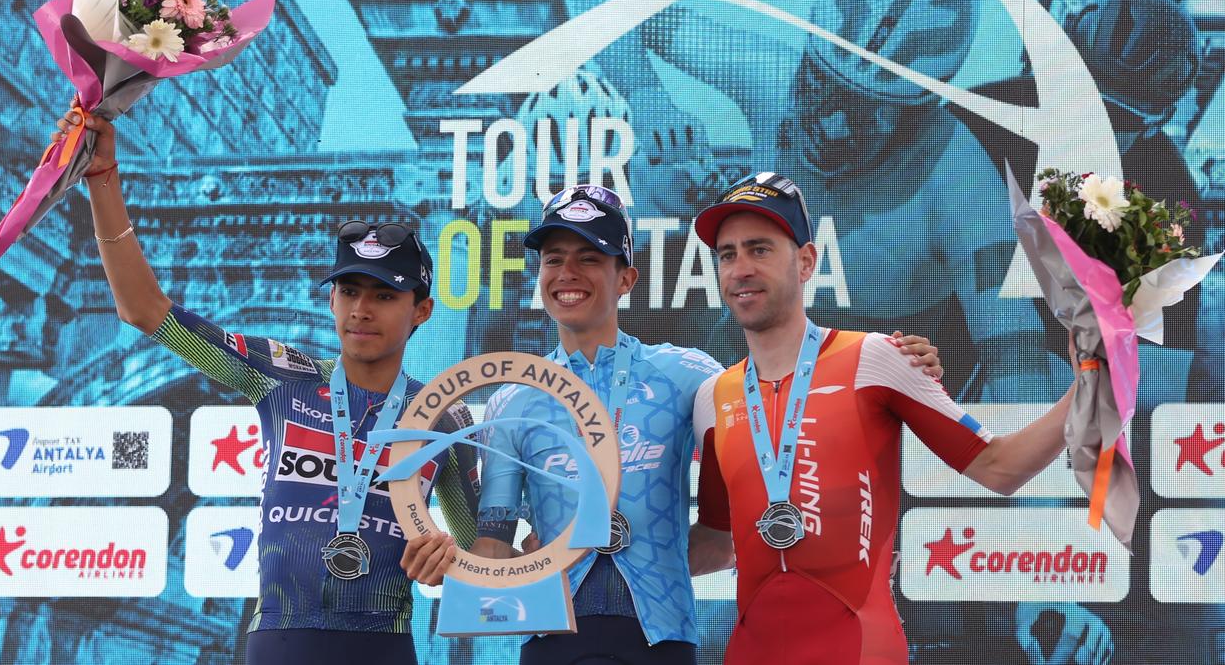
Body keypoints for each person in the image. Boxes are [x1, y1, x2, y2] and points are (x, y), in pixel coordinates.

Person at [402, 182, 943, 663]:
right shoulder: (513, 401)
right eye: (553, 259)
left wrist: (902, 363)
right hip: (552, 642)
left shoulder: (687, 375)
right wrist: (462, 567)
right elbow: (495, 542)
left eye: (590, 258)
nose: (568, 273)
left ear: (626, 277)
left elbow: (775, 454)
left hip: (661, 640)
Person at [57, 109, 480, 665]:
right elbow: (144, 310)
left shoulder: (444, 418)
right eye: (349, 291)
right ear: (330, 299)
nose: (360, 309)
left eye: (383, 295)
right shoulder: (281, 375)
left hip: (384, 646)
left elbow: (484, 564)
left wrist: (452, 562)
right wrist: (103, 177)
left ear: (421, 309)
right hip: (279, 641)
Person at [592, 0, 1071, 403]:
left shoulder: (961, 178)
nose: (833, 124)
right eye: (821, 86)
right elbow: (607, 0)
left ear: (921, 114)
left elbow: (1014, 353)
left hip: (874, 382)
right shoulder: (771, 74)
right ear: (807, 58)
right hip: (758, 345)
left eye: (869, 110)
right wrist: (648, 96)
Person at [689, 171, 1082, 665]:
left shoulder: (878, 358)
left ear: (807, 261)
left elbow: (1000, 467)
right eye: (728, 254)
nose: (741, 268)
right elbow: (717, 544)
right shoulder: (713, 396)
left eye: (760, 249)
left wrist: (1087, 386)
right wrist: (590, 552)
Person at [946, 0, 1211, 665]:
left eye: (1110, 114)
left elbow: (1151, 392)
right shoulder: (974, 121)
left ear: (1148, 124)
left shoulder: (1168, 196)